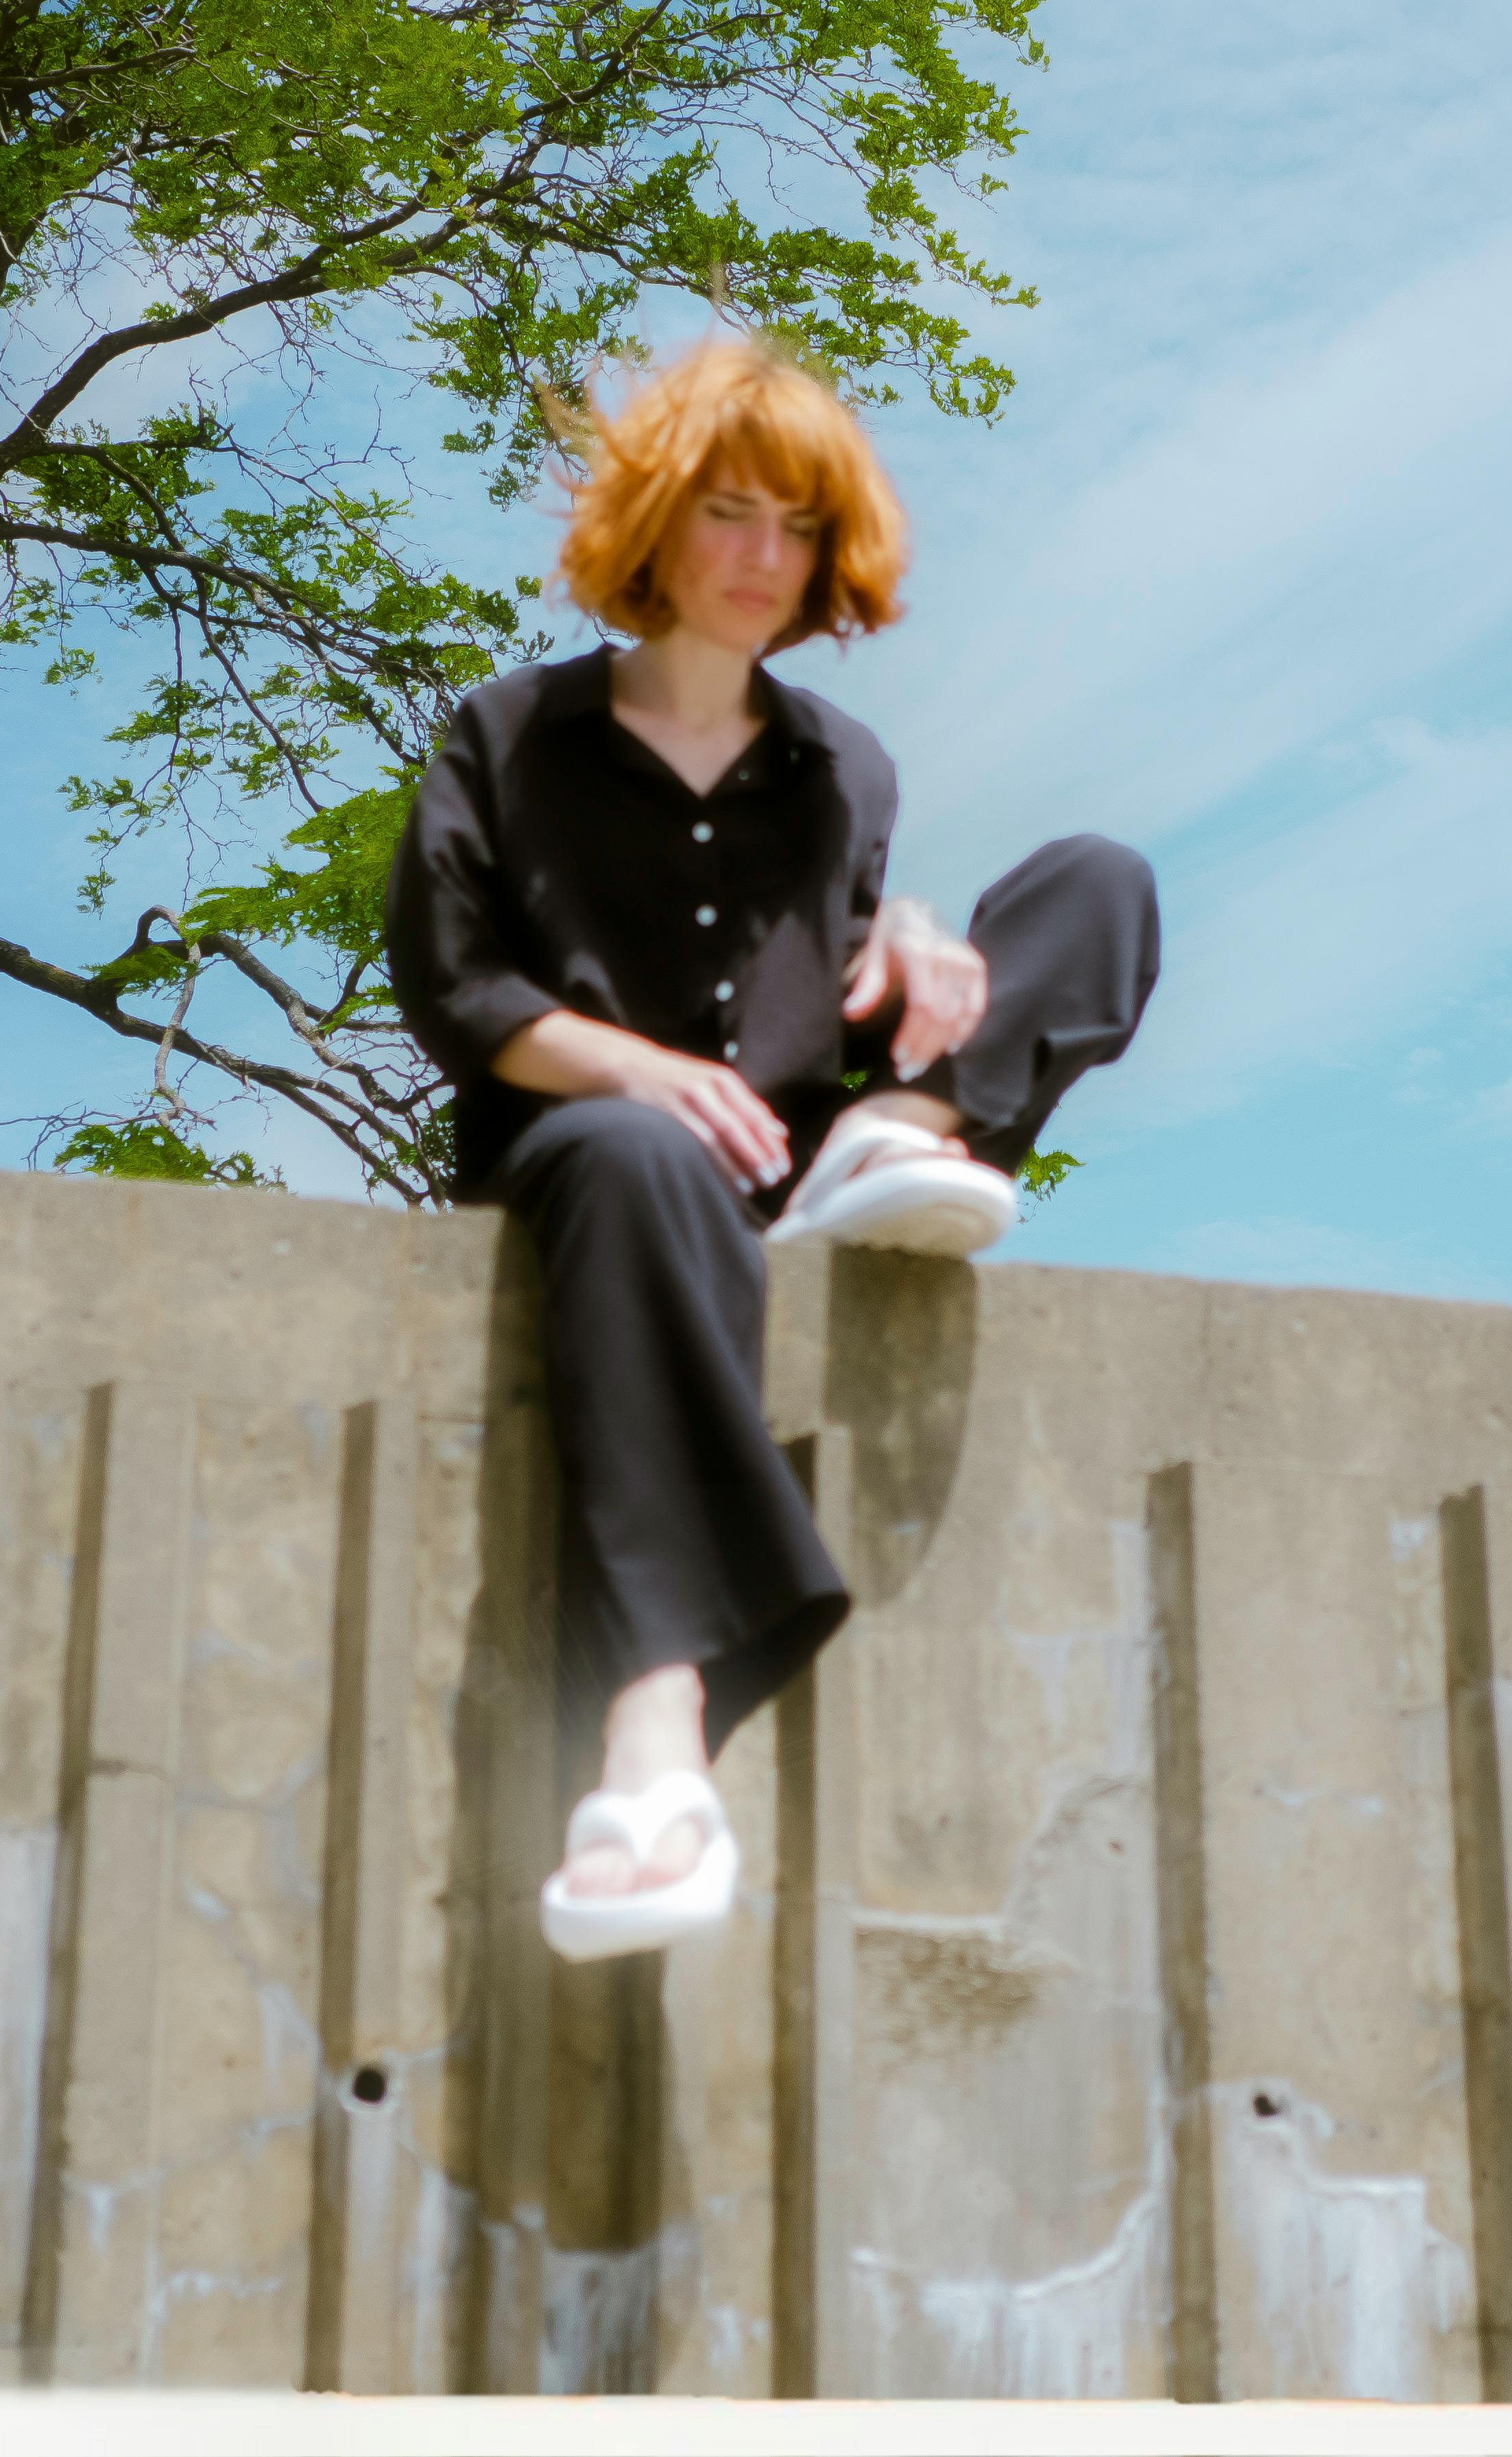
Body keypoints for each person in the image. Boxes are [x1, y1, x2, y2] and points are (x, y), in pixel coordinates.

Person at [383, 337, 1160, 1962]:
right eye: (730, 514)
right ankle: (656, 1747)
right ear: (658, 524)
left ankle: (900, 1143)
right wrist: (638, 1073)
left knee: (1099, 879)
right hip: (590, 1159)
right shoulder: (511, 734)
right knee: (637, 1151)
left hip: (800, 1160)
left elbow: (842, 953)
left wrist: (918, 955)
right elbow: (457, 986)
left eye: (796, 529)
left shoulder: (843, 768)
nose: (762, 559)